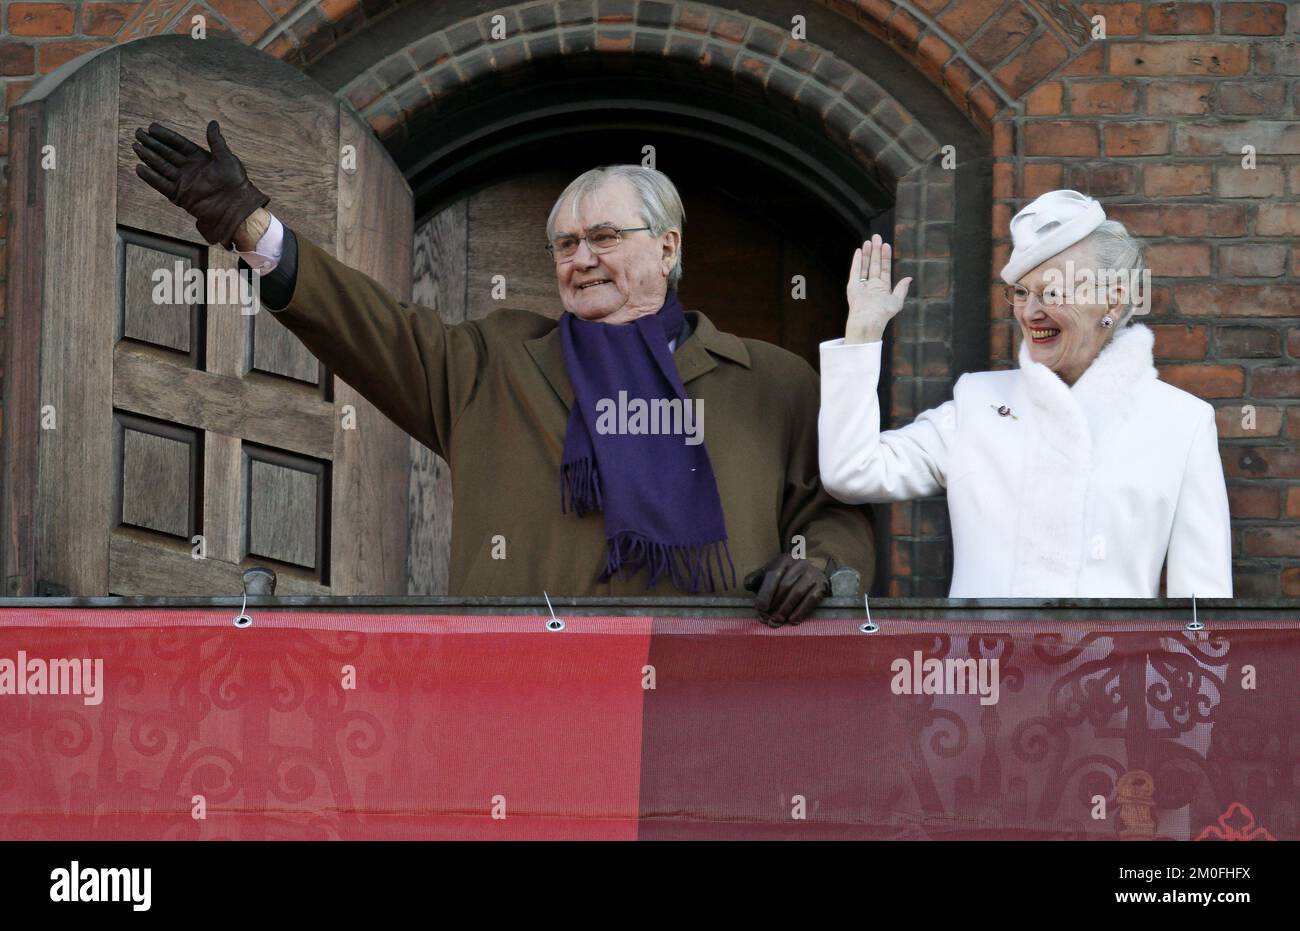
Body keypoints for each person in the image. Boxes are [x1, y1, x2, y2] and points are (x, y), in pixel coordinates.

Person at [132, 120, 875, 625]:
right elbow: (368, 327)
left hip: (719, 701)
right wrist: (249, 225)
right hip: (518, 695)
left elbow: (839, 509)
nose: (581, 259)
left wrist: (825, 571)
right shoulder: (491, 363)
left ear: (669, 248)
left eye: (605, 237)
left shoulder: (772, 382)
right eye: (565, 245)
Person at [819, 189, 1232, 598]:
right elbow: (851, 472)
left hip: (1114, 666)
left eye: (1052, 292)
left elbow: (1203, 611)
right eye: (1021, 292)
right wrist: (863, 332)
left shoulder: (1181, 422)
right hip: (981, 666)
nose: (1031, 312)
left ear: (1113, 297)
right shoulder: (977, 405)